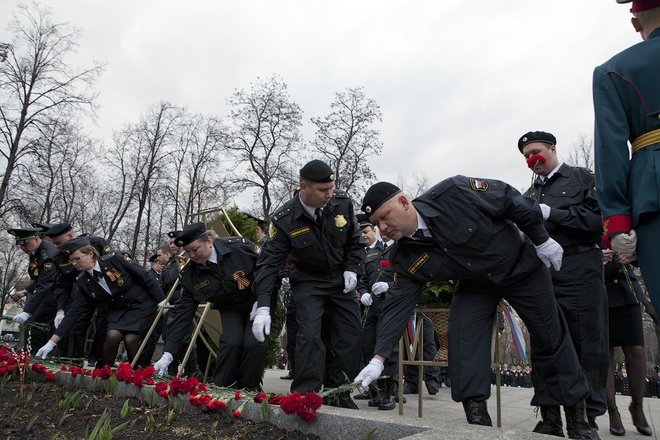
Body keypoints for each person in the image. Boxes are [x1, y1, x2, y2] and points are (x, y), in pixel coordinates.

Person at [354, 179, 595, 439]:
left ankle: (576, 420)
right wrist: (378, 359)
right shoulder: (404, 257)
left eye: (384, 217)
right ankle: (478, 425)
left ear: (404, 202)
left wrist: (541, 239)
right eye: (376, 223)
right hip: (475, 282)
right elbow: (396, 308)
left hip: (520, 266)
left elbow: (510, 199)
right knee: (462, 340)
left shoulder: (453, 193)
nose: (382, 228)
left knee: (551, 336)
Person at [252, 159, 363, 409]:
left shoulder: (341, 204)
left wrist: (351, 268)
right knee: (309, 336)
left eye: (331, 188)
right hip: (308, 282)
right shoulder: (285, 219)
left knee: (351, 335)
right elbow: (268, 264)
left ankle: (339, 392)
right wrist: (263, 306)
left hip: (340, 280)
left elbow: (354, 242)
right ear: (303, 186)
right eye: (323, 190)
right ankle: (305, 395)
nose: (329, 194)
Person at [519, 130, 609, 432]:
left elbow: (597, 221)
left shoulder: (582, 178)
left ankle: (583, 418)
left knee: (585, 341)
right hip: (542, 275)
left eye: (535, 152)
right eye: (526, 156)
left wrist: (551, 213)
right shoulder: (529, 195)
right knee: (544, 343)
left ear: (552, 148)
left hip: (579, 268)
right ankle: (550, 416)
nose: (531, 159)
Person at [592, 0, 660, 321]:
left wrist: (617, 223)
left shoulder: (613, 71)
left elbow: (611, 152)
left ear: (635, 23)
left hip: (654, 194)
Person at [152, 223, 268, 389]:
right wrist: (168, 353)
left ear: (208, 241)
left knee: (255, 343)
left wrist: (263, 303)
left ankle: (249, 389)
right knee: (231, 342)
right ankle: (223, 388)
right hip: (230, 308)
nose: (192, 255)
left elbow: (267, 271)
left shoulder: (239, 248)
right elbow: (183, 314)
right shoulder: (190, 275)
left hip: (257, 301)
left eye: (195, 249)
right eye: (188, 251)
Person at [35, 237, 165, 367]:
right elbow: (74, 313)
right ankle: (104, 373)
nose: (73, 263)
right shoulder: (83, 281)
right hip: (118, 309)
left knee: (130, 339)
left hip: (140, 304)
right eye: (71, 260)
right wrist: (51, 343)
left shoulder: (115, 259)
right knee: (112, 336)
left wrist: (162, 300)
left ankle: (138, 373)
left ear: (90, 254)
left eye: (77, 259)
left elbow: (145, 275)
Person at [601, 249, 652, 436]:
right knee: (604, 354)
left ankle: (637, 406)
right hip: (597, 288)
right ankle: (613, 411)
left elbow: (645, 248)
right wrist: (596, 255)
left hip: (626, 288)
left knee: (636, 350)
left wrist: (632, 255)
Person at [7, 227, 59, 354]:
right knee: (35, 326)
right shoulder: (36, 252)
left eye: (25, 243)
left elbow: (45, 284)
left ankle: (38, 357)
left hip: (56, 295)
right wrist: (25, 291)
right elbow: (40, 278)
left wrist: (27, 312)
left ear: (36, 239)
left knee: (36, 325)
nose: (22, 247)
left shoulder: (47, 255)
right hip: (48, 292)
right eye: (20, 244)